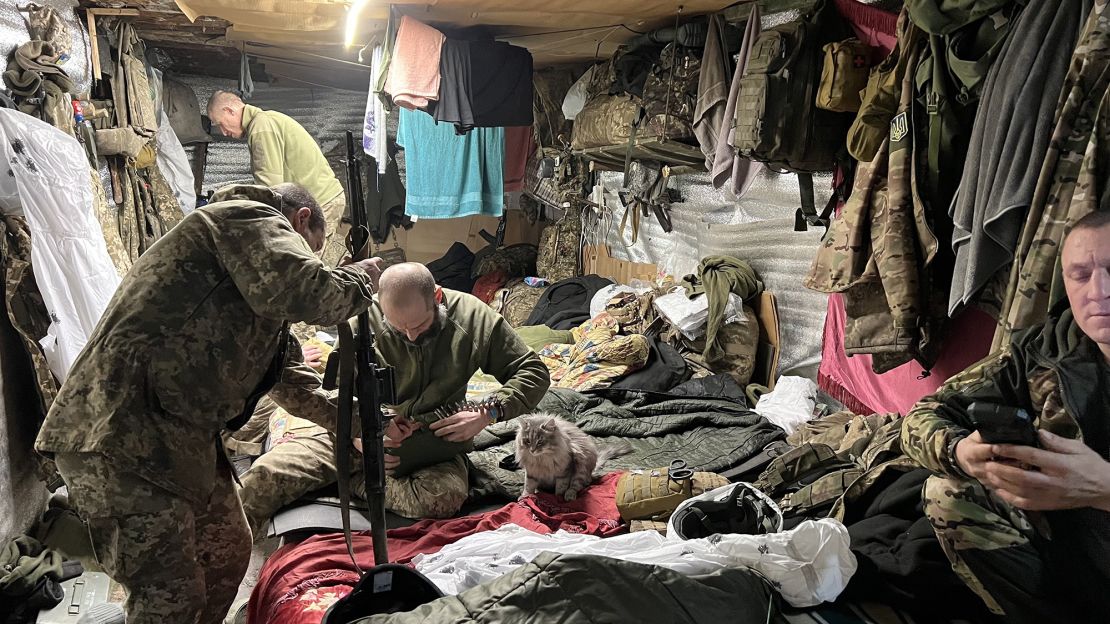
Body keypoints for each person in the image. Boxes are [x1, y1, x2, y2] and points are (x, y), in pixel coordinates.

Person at [34, 183, 383, 624]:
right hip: (119, 434)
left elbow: (294, 386)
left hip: (179, 440)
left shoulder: (257, 283)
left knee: (227, 552)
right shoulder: (243, 218)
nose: (309, 262)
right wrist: (360, 279)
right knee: (168, 596)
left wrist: (361, 424)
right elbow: (308, 294)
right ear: (298, 221)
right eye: (312, 251)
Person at [903, 209, 1110, 623]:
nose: (1099, 290)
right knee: (949, 494)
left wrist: (1103, 488)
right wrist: (960, 452)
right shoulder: (1046, 348)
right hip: (1073, 558)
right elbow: (924, 414)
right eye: (1080, 275)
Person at [238, 262, 551, 534]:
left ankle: (354, 484)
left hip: (432, 447)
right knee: (263, 479)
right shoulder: (362, 318)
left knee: (443, 498)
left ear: (437, 298)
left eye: (419, 325)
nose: (410, 336)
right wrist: (359, 433)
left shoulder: (472, 318)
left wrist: (488, 411)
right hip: (356, 436)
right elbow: (334, 392)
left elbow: (534, 371)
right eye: (398, 329)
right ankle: (358, 476)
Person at [206, 90, 349, 266]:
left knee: (303, 266)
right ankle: (342, 262)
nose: (223, 131)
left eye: (220, 124)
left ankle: (347, 270)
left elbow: (270, 189)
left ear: (230, 111)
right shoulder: (266, 120)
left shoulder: (261, 126)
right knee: (309, 260)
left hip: (319, 202)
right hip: (320, 199)